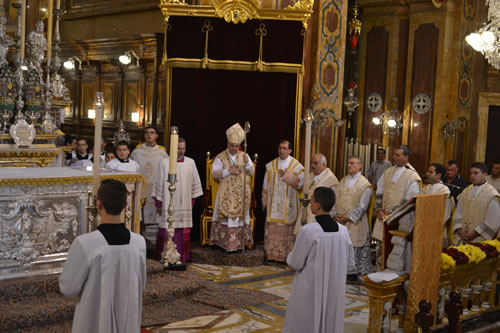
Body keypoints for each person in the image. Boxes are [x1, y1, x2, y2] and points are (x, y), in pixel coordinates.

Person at [59, 179, 147, 333]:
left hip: (93, 323)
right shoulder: (139, 243)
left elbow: (68, 288)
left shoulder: (85, 244)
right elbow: (141, 284)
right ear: (126, 204)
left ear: (99, 205)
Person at [282, 186, 354, 333]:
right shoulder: (343, 231)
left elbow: (295, 262)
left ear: (317, 204)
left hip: (310, 289)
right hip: (335, 288)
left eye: (312, 199)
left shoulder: (308, 231)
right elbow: (350, 264)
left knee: (307, 322)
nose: (310, 202)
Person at [152, 137, 203, 262]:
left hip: (184, 203)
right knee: (167, 229)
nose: (181, 151)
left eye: (183, 149)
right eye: (178, 148)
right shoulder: (164, 163)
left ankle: (182, 257)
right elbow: (158, 182)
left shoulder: (191, 162)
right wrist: (159, 203)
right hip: (168, 203)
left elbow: (195, 184)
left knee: (182, 230)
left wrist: (192, 201)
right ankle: (165, 257)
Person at [372, 145, 421, 267]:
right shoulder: (388, 172)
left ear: (406, 157)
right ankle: (379, 276)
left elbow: (410, 199)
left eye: (397, 155)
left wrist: (393, 213)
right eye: (393, 154)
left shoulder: (413, 176)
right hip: (382, 217)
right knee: (380, 252)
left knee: (395, 256)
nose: (393, 157)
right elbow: (379, 191)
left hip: (399, 221)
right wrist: (378, 209)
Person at [209, 123, 255, 252]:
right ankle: (225, 245)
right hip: (226, 194)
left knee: (240, 218)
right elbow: (214, 174)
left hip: (241, 193)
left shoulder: (244, 156)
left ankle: (239, 245)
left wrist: (247, 164)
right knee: (226, 218)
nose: (234, 148)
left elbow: (251, 172)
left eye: (236, 146)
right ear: (227, 144)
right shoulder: (220, 157)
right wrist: (229, 171)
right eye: (232, 145)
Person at [262, 140, 304, 262]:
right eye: (280, 148)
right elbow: (265, 186)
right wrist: (264, 200)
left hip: (288, 205)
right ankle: (272, 256)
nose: (281, 150)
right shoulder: (271, 166)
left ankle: (286, 257)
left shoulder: (297, 167)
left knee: (287, 231)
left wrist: (287, 175)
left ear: (290, 150)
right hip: (273, 206)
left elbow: (300, 185)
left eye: (285, 148)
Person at [334, 156, 373, 281]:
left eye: (352, 163)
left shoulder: (365, 184)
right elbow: (335, 199)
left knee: (354, 245)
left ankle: (352, 272)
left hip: (356, 222)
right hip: (340, 221)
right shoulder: (342, 181)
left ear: (360, 166)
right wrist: (336, 215)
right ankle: (341, 270)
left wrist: (349, 217)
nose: (349, 165)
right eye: (348, 163)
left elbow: (363, 205)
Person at [130, 127, 168, 253]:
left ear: (157, 135)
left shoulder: (162, 153)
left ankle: (154, 247)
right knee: (141, 218)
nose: (149, 135)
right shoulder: (137, 152)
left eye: (152, 133)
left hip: (155, 190)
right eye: (147, 133)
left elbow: (166, 172)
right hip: (141, 189)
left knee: (155, 218)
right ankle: (141, 246)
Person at [452, 162, 500, 244]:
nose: (472, 176)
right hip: (462, 236)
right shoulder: (466, 191)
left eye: (476, 173)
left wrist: (475, 233)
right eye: (471, 173)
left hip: (479, 239)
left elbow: (493, 220)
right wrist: (459, 229)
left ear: (485, 175)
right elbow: (458, 212)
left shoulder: (492, 194)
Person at [295, 153, 338, 234]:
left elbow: (333, 204)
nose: (312, 165)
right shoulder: (310, 176)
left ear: (323, 164)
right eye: (311, 163)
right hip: (305, 214)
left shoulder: (331, 180)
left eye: (315, 163)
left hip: (319, 219)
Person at [420, 163, 454, 247]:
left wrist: (433, 226)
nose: (427, 174)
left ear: (438, 175)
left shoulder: (444, 190)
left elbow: (445, 214)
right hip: (423, 227)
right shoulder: (426, 188)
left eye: (430, 172)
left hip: (437, 230)